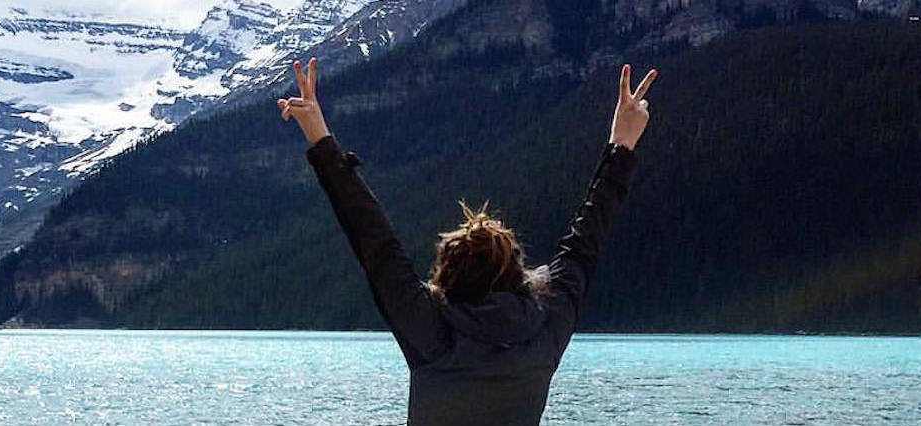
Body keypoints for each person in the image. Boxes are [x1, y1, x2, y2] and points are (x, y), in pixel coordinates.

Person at [278, 57, 656, 425]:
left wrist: (320, 138)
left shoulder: (432, 331)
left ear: (446, 275)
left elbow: (375, 241)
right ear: (516, 273)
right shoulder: (544, 328)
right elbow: (585, 240)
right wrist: (621, 145)